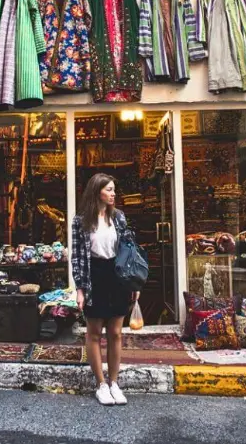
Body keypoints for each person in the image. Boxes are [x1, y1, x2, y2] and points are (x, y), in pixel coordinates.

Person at [71, 173, 139, 406]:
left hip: (117, 274)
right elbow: (78, 258)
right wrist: (80, 289)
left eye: (113, 189)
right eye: (109, 189)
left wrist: (133, 282)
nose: (113, 193)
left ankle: (114, 382)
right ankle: (100, 384)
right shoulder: (80, 221)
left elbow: (128, 250)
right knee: (94, 332)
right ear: (97, 191)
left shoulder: (119, 217)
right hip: (94, 275)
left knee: (116, 332)